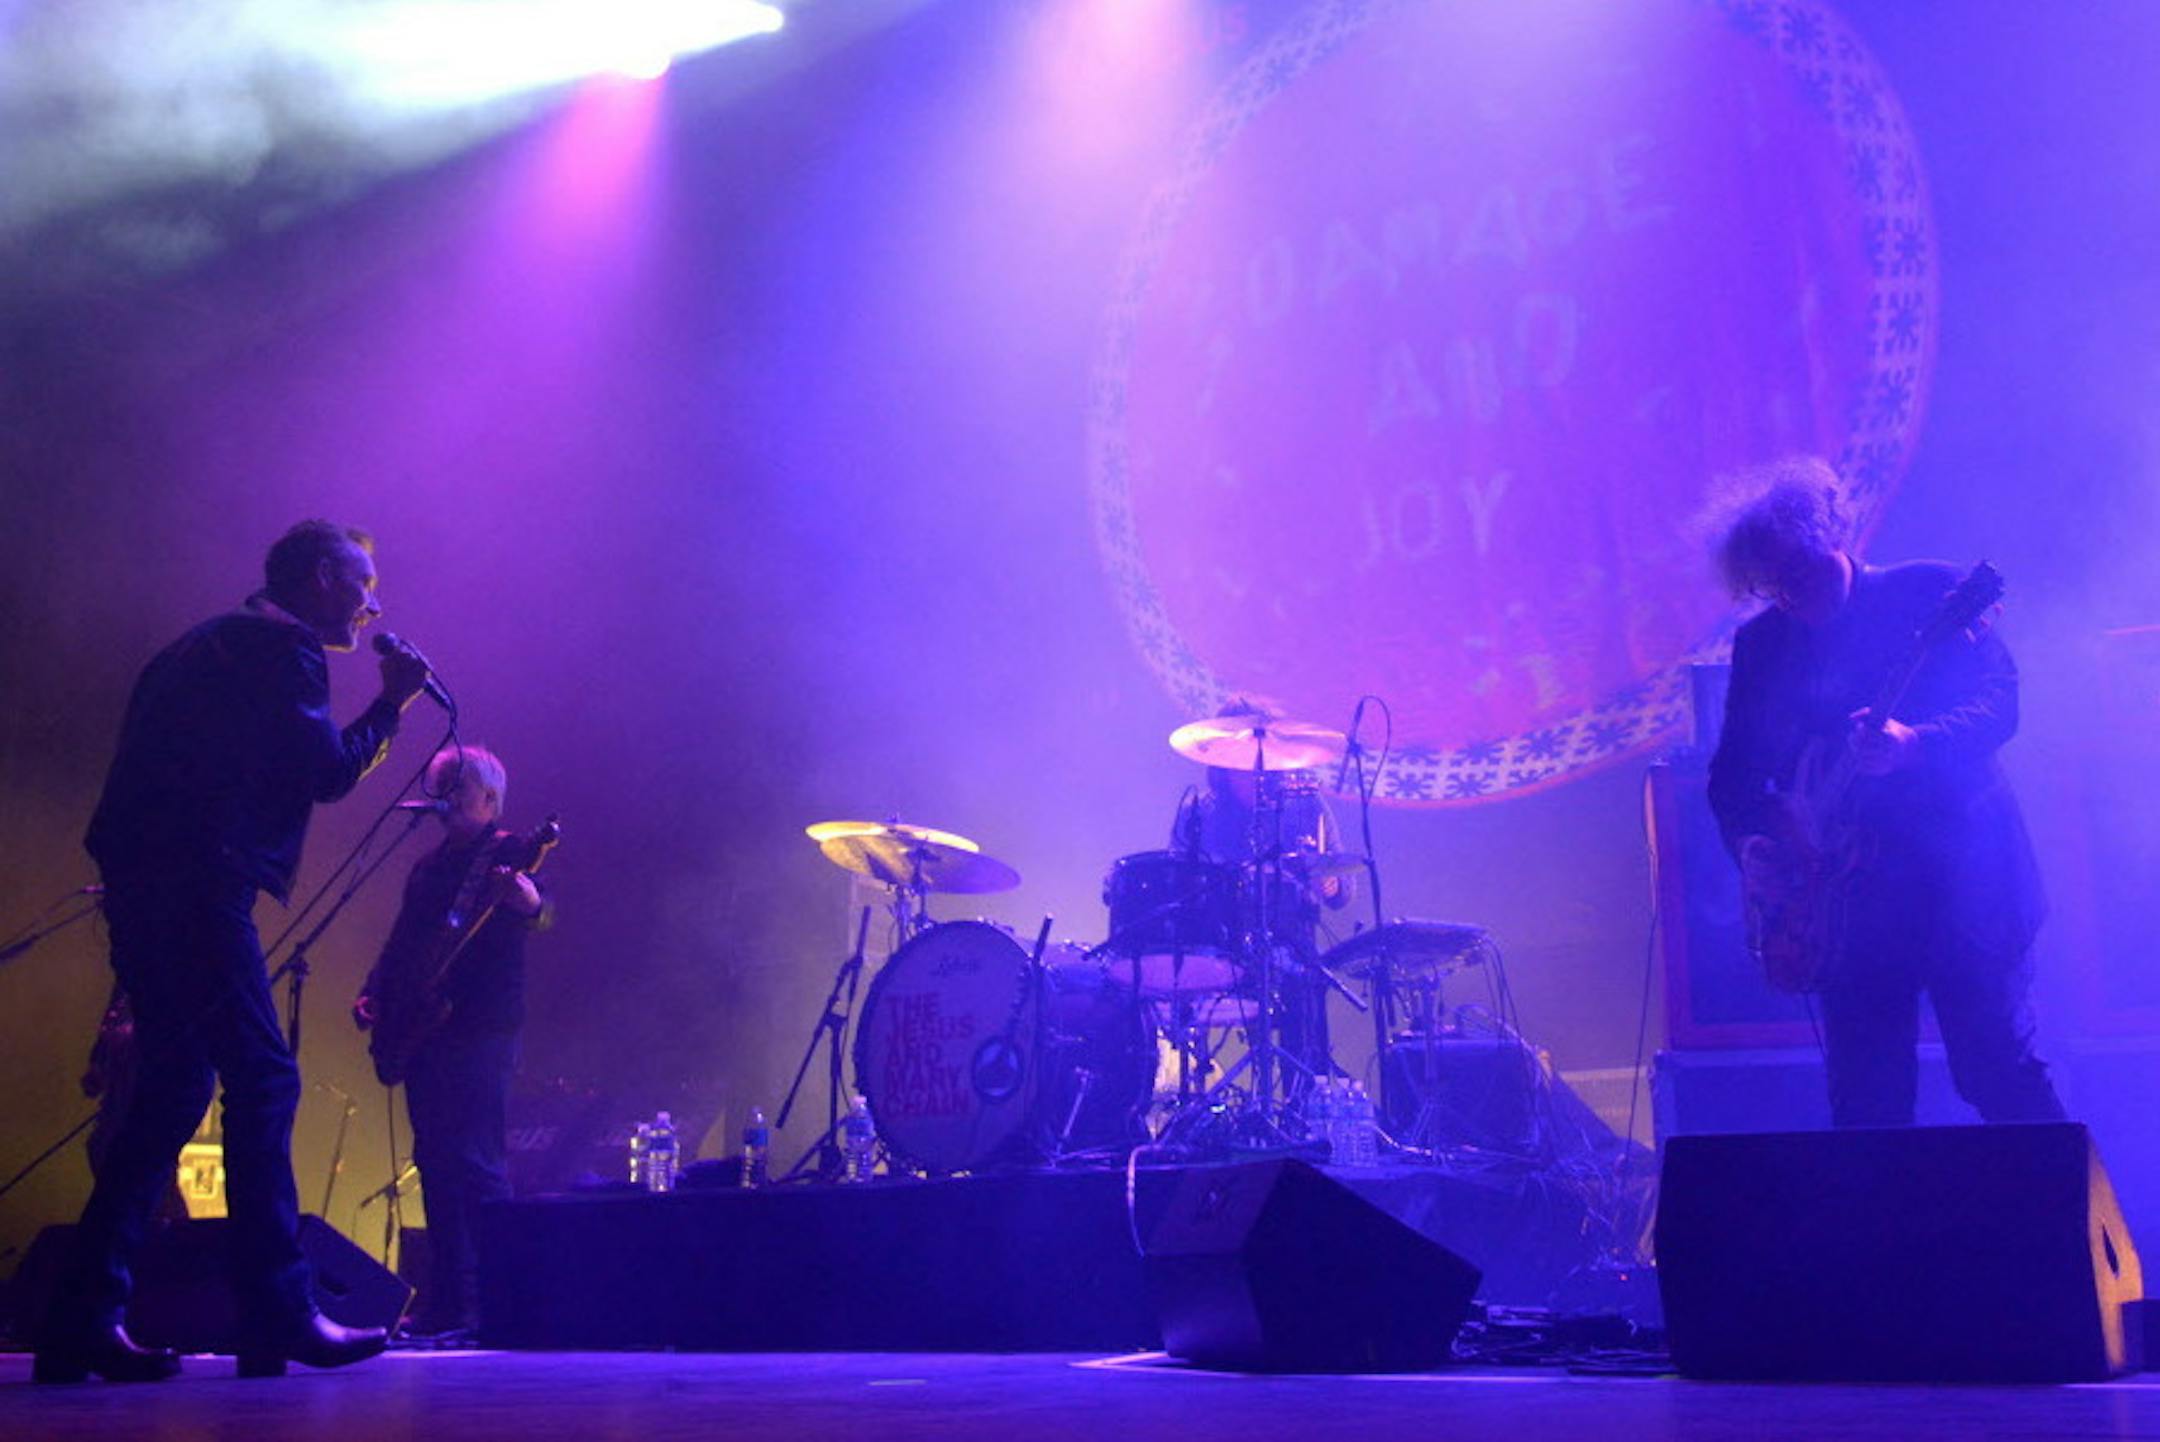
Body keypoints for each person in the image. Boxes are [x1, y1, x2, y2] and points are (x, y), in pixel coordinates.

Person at [36, 520, 430, 1384]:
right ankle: (278, 1315)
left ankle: (79, 1321)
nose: (375, 604)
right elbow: (326, 774)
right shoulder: (282, 652)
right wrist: (393, 704)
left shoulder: (197, 647)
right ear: (323, 578)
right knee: (264, 1077)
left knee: (175, 1086)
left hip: (145, 887)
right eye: (365, 582)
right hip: (200, 888)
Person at [1705, 457, 2063, 1128]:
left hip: (1963, 881)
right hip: (1849, 905)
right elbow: (1733, 776)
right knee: (1867, 1104)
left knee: (1996, 1072)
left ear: (1832, 536)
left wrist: (1917, 745)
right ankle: (1891, 1233)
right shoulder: (1763, 646)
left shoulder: (1930, 593)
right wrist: (1751, 840)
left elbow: (2000, 703)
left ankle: (2071, 1227)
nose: (1790, 597)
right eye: (1772, 585)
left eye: (1799, 573)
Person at [353, 745, 553, 1341]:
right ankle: (447, 1301)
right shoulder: (428, 867)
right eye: (438, 787)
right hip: (426, 1029)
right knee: (435, 1162)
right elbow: (403, 941)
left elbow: (541, 910)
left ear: (489, 800)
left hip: (483, 1027)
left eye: (455, 789)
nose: (444, 800)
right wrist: (374, 992)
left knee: (478, 1163)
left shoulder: (512, 851)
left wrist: (534, 903)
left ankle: (495, 1302)